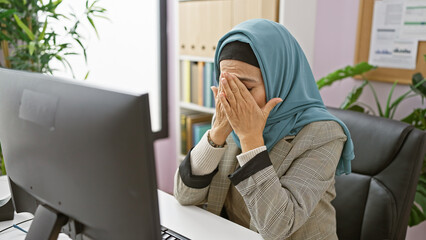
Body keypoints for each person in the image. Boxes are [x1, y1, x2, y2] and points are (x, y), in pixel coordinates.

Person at [174, 19, 354, 240]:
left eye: (246, 87)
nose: (234, 98)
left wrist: (250, 139)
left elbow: (277, 228)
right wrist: (218, 133)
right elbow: (184, 195)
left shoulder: (324, 134)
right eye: (227, 85)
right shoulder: (228, 110)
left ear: (279, 79)